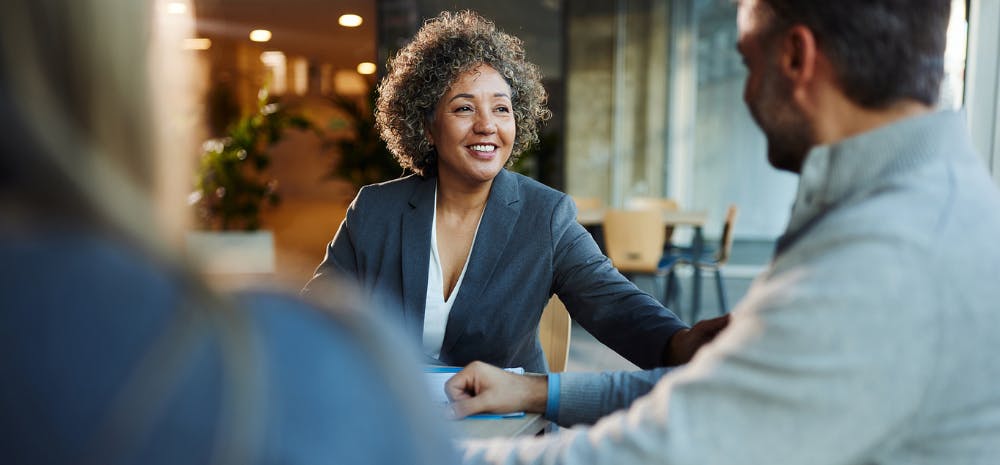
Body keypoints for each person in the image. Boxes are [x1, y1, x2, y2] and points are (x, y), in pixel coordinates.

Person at [445, 0, 1000, 463]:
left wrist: (417, 449)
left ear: (795, 57)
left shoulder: (889, 249)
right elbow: (738, 394)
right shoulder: (926, 204)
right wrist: (538, 390)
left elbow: (668, 449)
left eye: (748, 63)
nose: (747, 92)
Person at [0, 1, 456, 464]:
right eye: (462, 108)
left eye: (500, 108)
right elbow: (326, 289)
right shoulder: (312, 370)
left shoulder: (532, 210)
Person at [304, 10, 728, 374]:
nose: (487, 125)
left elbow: (614, 303)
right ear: (428, 126)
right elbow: (314, 316)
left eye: (502, 108)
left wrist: (680, 343)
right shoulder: (376, 210)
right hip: (395, 422)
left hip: (504, 425)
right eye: (464, 107)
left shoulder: (545, 215)